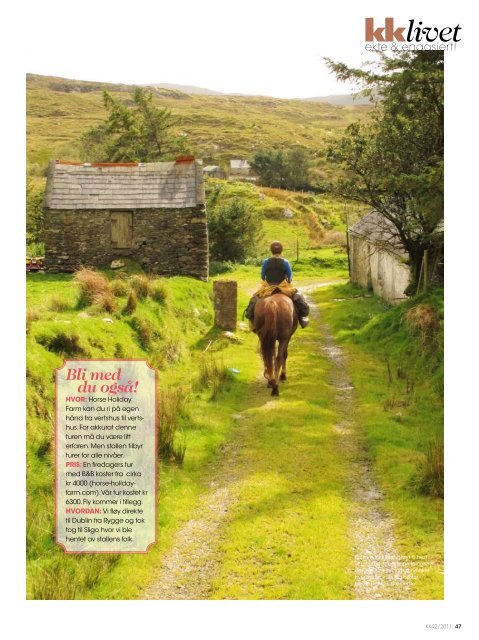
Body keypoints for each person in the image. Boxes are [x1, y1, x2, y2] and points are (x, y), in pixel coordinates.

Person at [244, 241, 310, 328]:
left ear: (271, 251)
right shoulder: (286, 262)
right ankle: (302, 318)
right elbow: (290, 279)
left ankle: (250, 318)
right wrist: (288, 280)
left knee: (254, 297)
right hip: (283, 287)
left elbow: (263, 277)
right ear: (281, 251)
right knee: (298, 297)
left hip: (268, 287)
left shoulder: (266, 262)